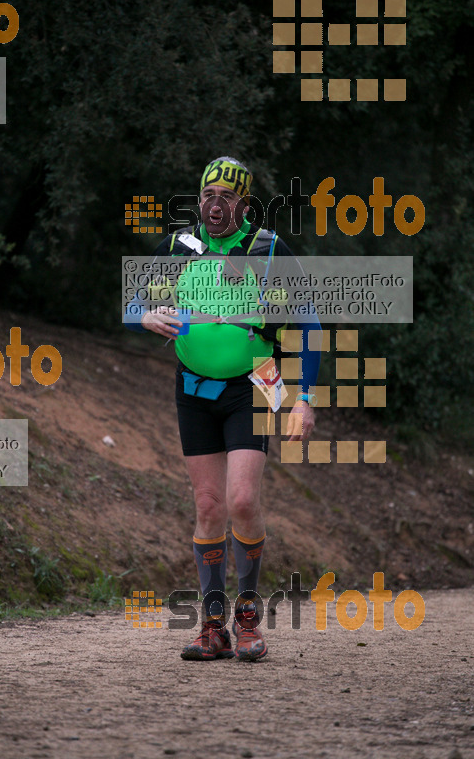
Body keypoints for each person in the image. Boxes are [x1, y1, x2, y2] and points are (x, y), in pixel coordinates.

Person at [124, 156, 321, 661]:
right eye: (208, 196)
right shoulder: (178, 247)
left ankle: (249, 618)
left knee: (241, 502)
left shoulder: (269, 250)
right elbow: (130, 304)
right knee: (208, 506)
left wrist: (306, 399)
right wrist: (144, 315)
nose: (214, 205)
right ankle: (212, 627)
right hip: (192, 387)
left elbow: (310, 323)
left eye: (226, 198)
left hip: (253, 385)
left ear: (245, 205)